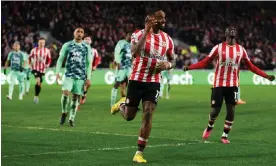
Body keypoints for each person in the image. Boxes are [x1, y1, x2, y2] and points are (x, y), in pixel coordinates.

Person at [183, 26, 275, 144]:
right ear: (226, 34)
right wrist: (190, 67)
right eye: (229, 30)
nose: (232, 31)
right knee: (215, 111)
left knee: (231, 110)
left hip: (233, 84)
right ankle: (210, 126)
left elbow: (251, 66)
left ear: (235, 34)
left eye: (234, 30)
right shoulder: (218, 48)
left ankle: (224, 136)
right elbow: (205, 62)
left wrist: (266, 76)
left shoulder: (241, 50)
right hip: (219, 84)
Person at [110, 8, 175, 163]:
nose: (164, 21)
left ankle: (139, 152)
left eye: (164, 18)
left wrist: (167, 65)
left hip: (153, 82)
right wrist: (146, 32)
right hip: (137, 79)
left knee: (148, 112)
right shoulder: (138, 35)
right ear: (152, 19)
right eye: (160, 18)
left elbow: (173, 60)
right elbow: (133, 52)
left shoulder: (168, 39)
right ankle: (122, 105)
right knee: (129, 116)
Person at [56, 28, 93, 127]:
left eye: (81, 32)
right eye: (78, 32)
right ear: (74, 33)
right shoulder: (67, 45)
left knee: (75, 98)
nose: (80, 34)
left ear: (83, 34)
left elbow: (89, 63)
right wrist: (57, 72)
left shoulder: (86, 47)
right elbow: (60, 59)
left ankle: (71, 118)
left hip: (80, 76)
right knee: (65, 93)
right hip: (69, 75)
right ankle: (64, 112)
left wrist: (88, 77)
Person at [110, 32, 132, 108]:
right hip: (122, 67)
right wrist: (118, 62)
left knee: (132, 86)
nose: (131, 37)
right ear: (127, 35)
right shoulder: (121, 42)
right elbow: (117, 52)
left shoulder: (132, 44)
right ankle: (112, 104)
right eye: (130, 35)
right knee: (116, 84)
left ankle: (130, 104)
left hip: (129, 68)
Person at [78, 36, 101, 108]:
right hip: (80, 69)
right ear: (83, 40)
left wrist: (95, 66)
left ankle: (84, 94)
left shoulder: (94, 50)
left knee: (88, 84)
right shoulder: (80, 49)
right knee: (80, 84)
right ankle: (77, 103)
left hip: (89, 70)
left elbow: (97, 59)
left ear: (91, 41)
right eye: (86, 39)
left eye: (89, 39)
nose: (87, 40)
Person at [29, 37, 52, 104]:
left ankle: (37, 95)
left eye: (43, 43)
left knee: (39, 83)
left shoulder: (47, 50)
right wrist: (30, 65)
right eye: (40, 42)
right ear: (38, 43)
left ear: (44, 43)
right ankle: (36, 97)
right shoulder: (33, 50)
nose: (41, 44)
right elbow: (30, 58)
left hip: (43, 69)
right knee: (38, 82)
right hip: (35, 68)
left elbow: (49, 59)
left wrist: (47, 64)